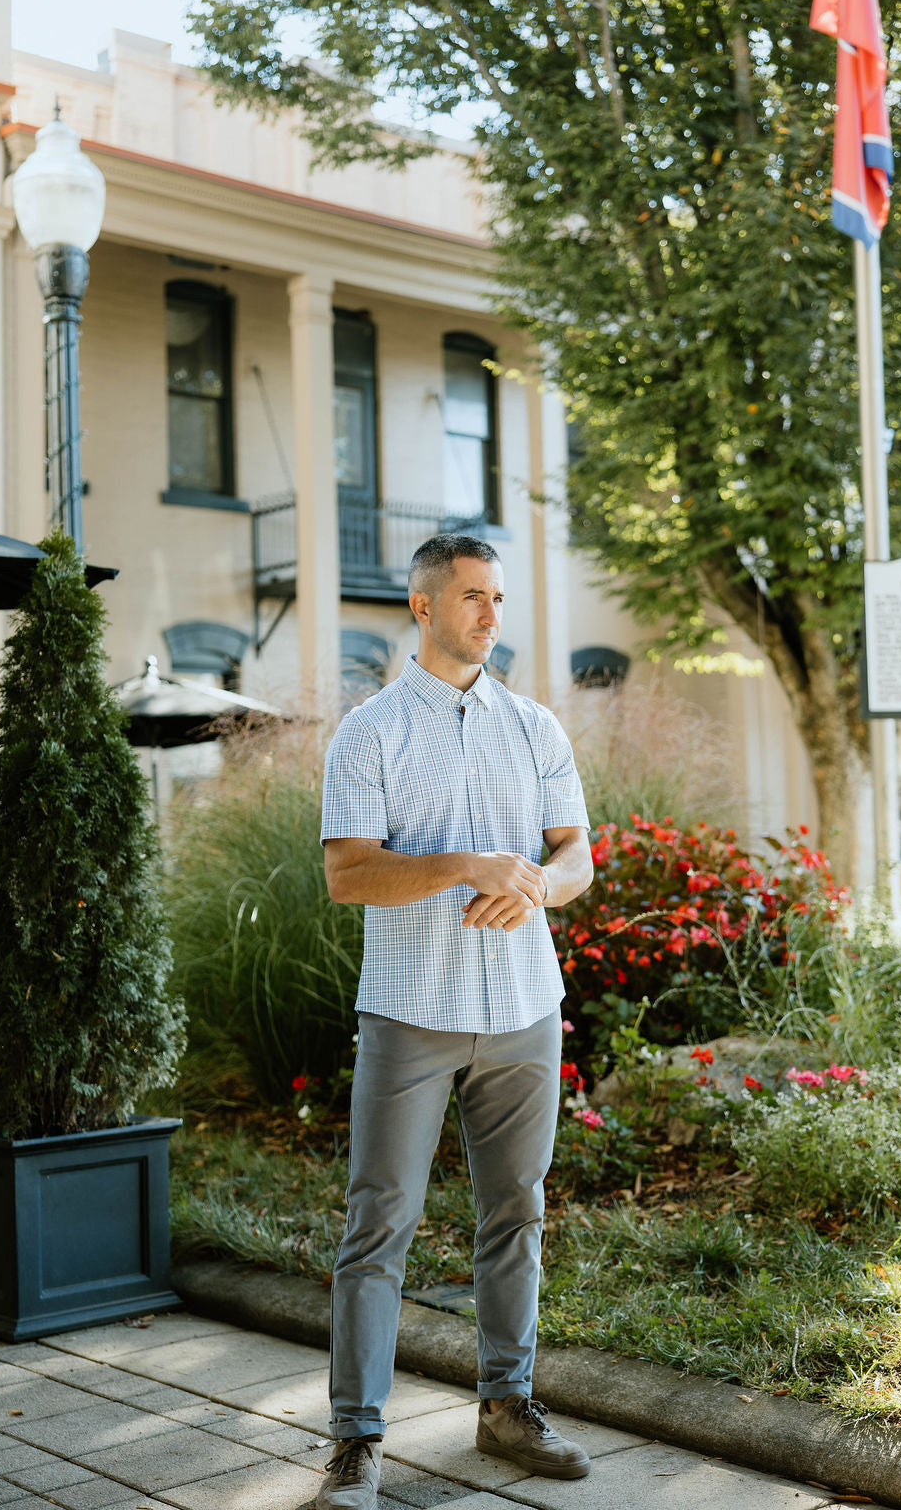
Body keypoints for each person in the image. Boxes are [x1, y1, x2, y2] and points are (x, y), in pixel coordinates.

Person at [317, 533, 594, 1510]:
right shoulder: (370, 732)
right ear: (423, 607)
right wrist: (468, 864)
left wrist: (540, 890)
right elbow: (346, 872)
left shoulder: (534, 727)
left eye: (498, 599)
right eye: (473, 597)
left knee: (515, 1215)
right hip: (411, 1013)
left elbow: (574, 857)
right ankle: (355, 1446)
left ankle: (506, 1409)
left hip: (525, 1010)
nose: (490, 615)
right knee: (377, 1228)